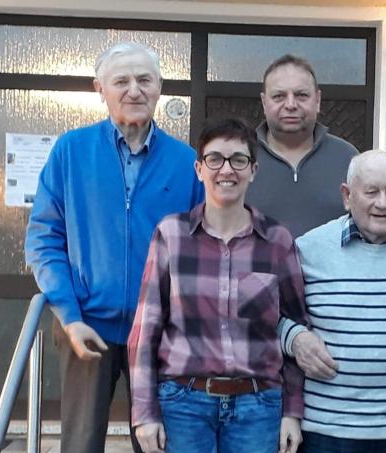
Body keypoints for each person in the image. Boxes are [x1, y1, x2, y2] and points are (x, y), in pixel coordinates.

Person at [24, 42, 203, 452]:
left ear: (160, 88)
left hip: (162, 333)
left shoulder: (185, 161)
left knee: (159, 443)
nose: (134, 90)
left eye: (144, 80)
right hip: (87, 326)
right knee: (81, 443)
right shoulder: (71, 151)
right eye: (121, 81)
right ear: (99, 89)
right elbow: (44, 239)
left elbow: (200, 249)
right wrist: (69, 316)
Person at [128, 118, 310, 453]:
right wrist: (144, 412)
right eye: (215, 159)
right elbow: (145, 330)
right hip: (184, 404)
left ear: (253, 170)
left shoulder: (277, 241)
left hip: (259, 406)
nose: (226, 169)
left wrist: (292, 412)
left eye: (238, 160)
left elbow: (297, 331)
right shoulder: (171, 235)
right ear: (199, 169)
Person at [277, 150, 386, 452]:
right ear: (347, 195)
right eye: (371, 192)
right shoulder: (309, 248)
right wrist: (295, 338)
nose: (382, 203)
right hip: (326, 432)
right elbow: (267, 315)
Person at [245, 54, 358, 238]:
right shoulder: (240, 158)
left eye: (301, 95)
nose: (290, 104)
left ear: (318, 100)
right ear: (264, 102)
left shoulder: (348, 158)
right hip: (258, 267)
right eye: (279, 96)